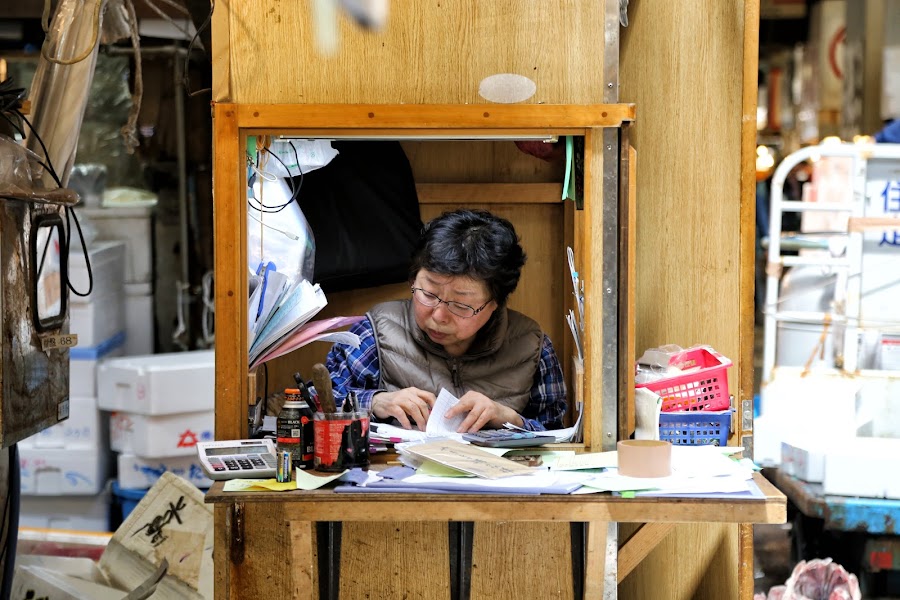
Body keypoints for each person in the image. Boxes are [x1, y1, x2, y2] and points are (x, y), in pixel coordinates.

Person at [325, 208, 567, 432]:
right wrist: (375, 402)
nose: (439, 316)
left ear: (495, 303)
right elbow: (320, 403)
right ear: (413, 280)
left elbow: (558, 437)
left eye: (461, 305)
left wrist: (511, 419)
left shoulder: (531, 345)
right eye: (428, 294)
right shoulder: (376, 331)